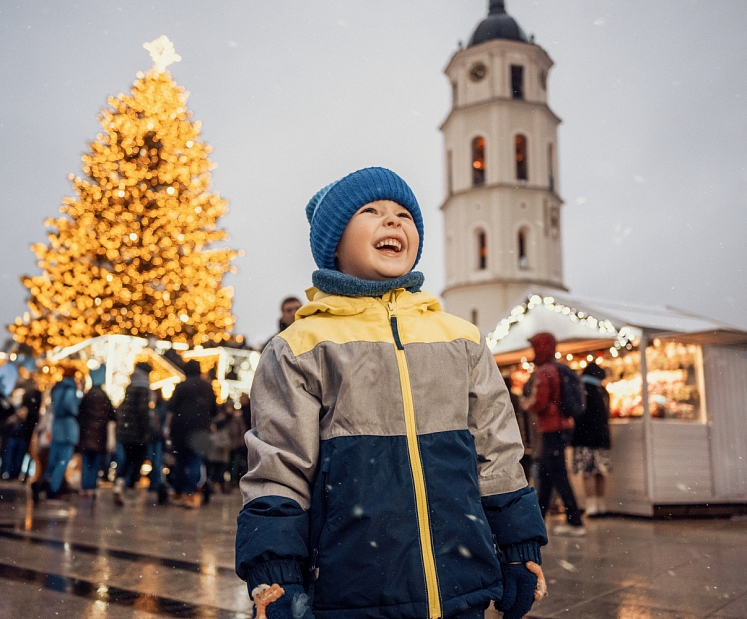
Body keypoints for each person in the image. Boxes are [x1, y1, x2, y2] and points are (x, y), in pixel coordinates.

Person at [235, 167, 548, 619]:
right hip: (354, 586)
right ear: (335, 244)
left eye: (404, 214)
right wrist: (277, 570)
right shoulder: (301, 347)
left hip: (460, 582)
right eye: (371, 211)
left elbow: (497, 451)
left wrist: (519, 543)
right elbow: (279, 467)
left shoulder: (460, 338)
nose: (393, 221)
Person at [522, 332, 585, 536]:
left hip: (551, 428)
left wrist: (526, 404)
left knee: (556, 474)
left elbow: (540, 401)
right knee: (548, 474)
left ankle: (574, 521)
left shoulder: (544, 372)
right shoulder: (558, 369)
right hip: (562, 426)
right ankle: (539, 519)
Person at [167, 359, 216, 508]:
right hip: (201, 430)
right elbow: (214, 409)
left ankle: (178, 492)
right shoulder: (207, 387)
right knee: (196, 461)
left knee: (180, 461)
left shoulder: (181, 386)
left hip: (181, 429)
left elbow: (172, 408)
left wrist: (168, 428)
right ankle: (191, 494)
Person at [35, 367, 81, 501]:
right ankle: (53, 488)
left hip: (56, 427)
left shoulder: (57, 389)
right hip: (67, 428)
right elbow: (70, 407)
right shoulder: (71, 390)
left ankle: (45, 482)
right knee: (62, 460)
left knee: (53, 459)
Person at [572, 362, 612, 517]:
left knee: (587, 472)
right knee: (600, 471)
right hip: (602, 438)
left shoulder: (580, 391)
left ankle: (591, 505)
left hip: (584, 438)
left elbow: (577, 414)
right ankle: (601, 505)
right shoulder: (603, 392)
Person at [113, 362, 152, 506]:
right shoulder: (143, 388)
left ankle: (119, 483)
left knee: (128, 459)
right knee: (137, 459)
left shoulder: (131, 386)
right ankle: (129, 487)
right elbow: (142, 411)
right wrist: (145, 430)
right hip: (136, 432)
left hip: (125, 431)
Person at [77, 365, 116, 497]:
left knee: (86, 462)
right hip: (100, 436)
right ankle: (92, 487)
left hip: (87, 435)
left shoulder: (88, 396)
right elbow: (112, 415)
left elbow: (80, 414)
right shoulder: (105, 397)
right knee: (95, 464)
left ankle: (85, 487)